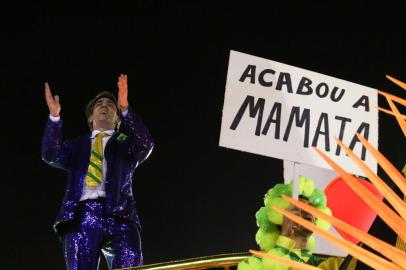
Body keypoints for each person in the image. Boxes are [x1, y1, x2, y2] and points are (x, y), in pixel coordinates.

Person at [42, 74, 154, 270]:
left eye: (110, 104)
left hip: (120, 216)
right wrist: (54, 118)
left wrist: (126, 108)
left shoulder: (125, 144)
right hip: (81, 216)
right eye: (99, 104)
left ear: (117, 118)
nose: (104, 106)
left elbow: (147, 144)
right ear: (90, 117)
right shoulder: (77, 145)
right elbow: (50, 154)